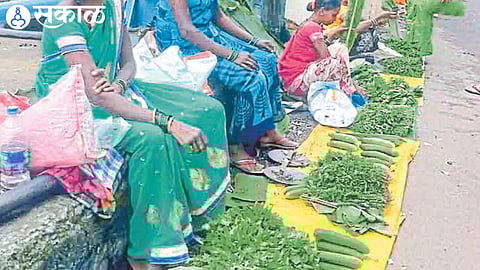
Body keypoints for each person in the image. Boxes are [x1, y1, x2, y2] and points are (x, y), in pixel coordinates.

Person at [34, 0, 231, 268]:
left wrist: (120, 84)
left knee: (208, 109)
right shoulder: (63, 19)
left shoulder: (111, 8)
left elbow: (128, 65)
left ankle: (195, 216)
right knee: (153, 139)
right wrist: (168, 122)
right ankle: (144, 252)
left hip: (118, 92)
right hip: (72, 109)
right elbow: (95, 95)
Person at [153, 0, 298, 175]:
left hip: (207, 33)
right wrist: (231, 55)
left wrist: (253, 40)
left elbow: (218, 17)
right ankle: (234, 144)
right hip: (183, 44)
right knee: (251, 78)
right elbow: (186, 30)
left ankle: (267, 130)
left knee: (267, 59)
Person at [278, 0, 362, 101]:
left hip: (297, 75)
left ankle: (347, 86)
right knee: (335, 63)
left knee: (340, 48)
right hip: (296, 81)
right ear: (322, 11)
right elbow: (326, 57)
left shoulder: (309, 24)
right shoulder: (312, 27)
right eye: (333, 15)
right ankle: (349, 90)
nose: (335, 19)